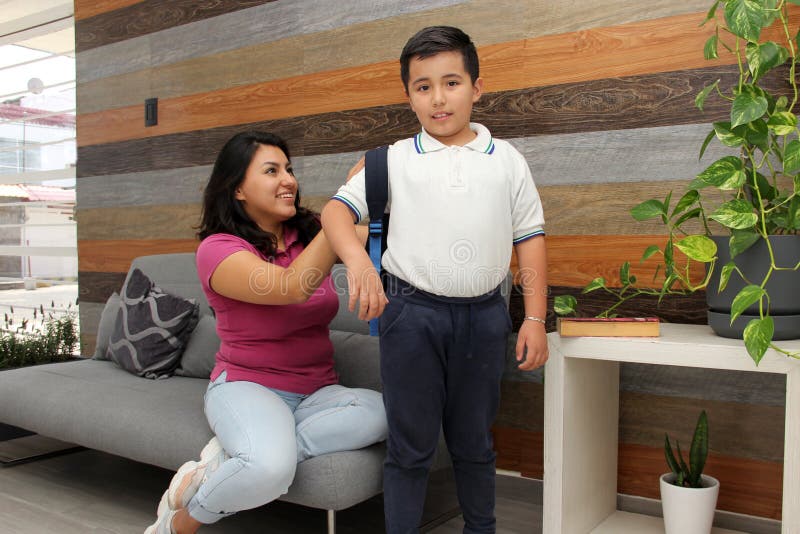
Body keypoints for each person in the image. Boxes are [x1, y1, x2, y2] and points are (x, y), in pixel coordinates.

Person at [320, 26, 548, 534]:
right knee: (410, 447)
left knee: (474, 443)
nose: (439, 98)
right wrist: (359, 264)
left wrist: (533, 316)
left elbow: (529, 238)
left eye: (451, 82)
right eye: (423, 87)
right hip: (410, 316)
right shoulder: (392, 161)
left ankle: (480, 529)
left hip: (485, 317)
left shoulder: (507, 160)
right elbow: (335, 214)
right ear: (409, 96)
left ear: (477, 87)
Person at [145, 131, 388, 534]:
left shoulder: (308, 233)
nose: (288, 180)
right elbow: (288, 288)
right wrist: (341, 212)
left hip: (317, 391)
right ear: (238, 187)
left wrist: (360, 206)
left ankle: (224, 461)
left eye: (289, 169)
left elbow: (377, 237)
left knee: (389, 413)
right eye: (272, 170)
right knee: (270, 469)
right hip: (248, 386)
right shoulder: (217, 249)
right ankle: (181, 522)